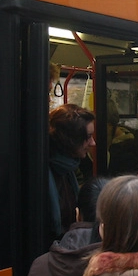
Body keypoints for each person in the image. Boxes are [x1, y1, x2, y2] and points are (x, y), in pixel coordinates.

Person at [48, 104, 95, 242]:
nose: (93, 143)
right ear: (71, 140)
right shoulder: (48, 175)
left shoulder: (68, 169)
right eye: (88, 137)